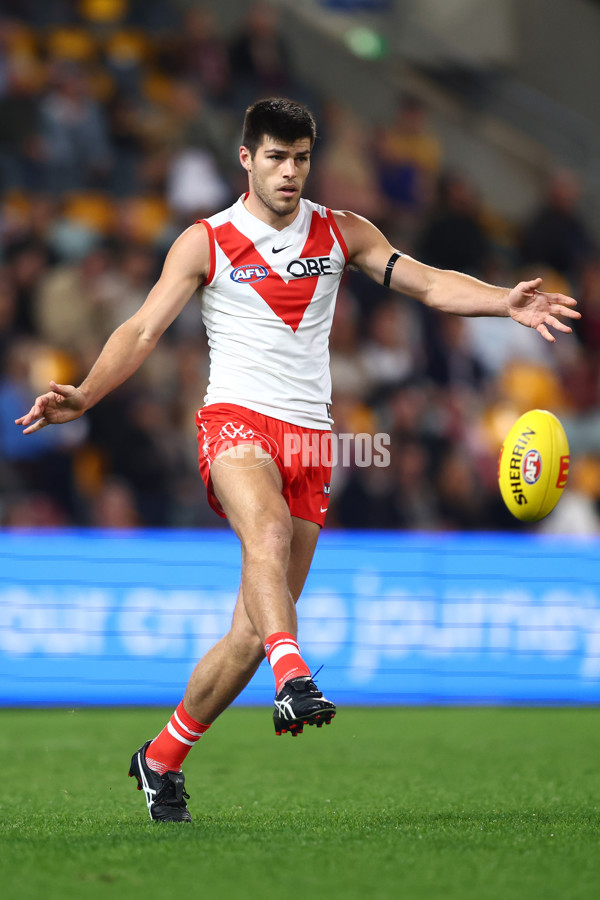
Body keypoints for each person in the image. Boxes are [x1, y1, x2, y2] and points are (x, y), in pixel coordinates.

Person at [16, 98, 580, 823]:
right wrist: (87, 394)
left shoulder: (343, 231)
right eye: (276, 157)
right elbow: (143, 327)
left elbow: (430, 283)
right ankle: (295, 676)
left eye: (302, 158)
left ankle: (161, 758)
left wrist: (506, 302)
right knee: (268, 536)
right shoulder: (206, 241)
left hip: (312, 438)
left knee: (250, 633)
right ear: (245, 158)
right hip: (234, 422)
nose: (290, 171)